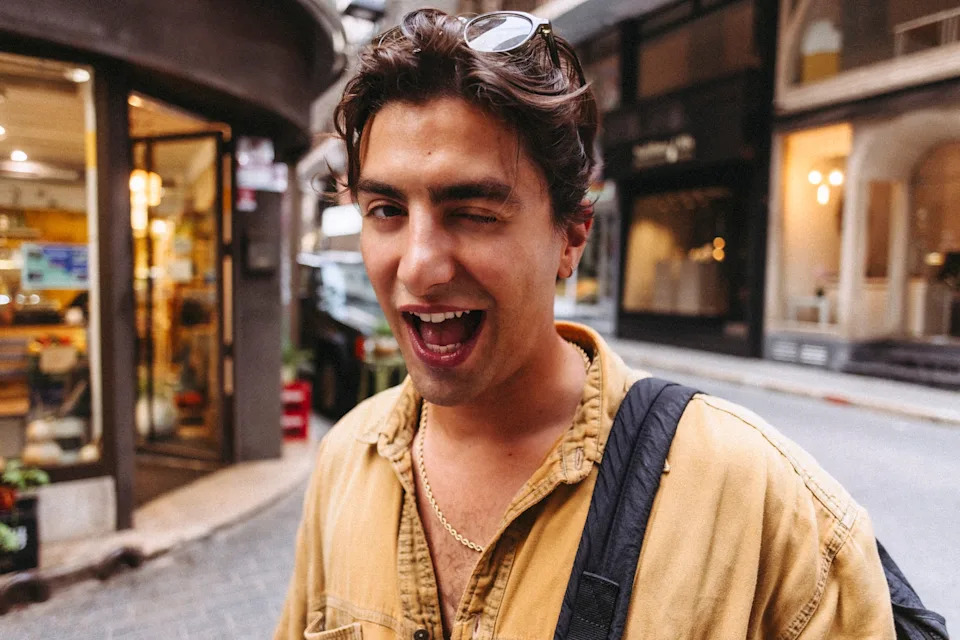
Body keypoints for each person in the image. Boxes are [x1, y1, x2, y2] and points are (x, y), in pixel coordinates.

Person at [276, 9, 895, 639]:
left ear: (571, 236)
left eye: (474, 212)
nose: (419, 266)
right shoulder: (345, 461)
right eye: (386, 210)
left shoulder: (760, 505)